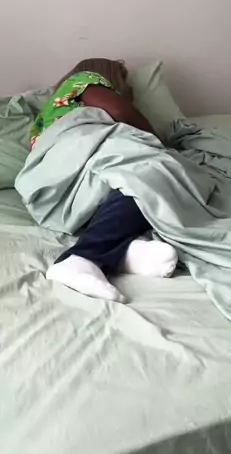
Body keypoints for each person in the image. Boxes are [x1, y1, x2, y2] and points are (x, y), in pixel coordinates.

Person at [31, 58, 178, 301]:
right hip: (77, 153)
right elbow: (120, 112)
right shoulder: (83, 79)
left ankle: (123, 254)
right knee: (149, 172)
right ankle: (82, 258)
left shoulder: (42, 119)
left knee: (125, 191)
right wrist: (159, 143)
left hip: (55, 187)